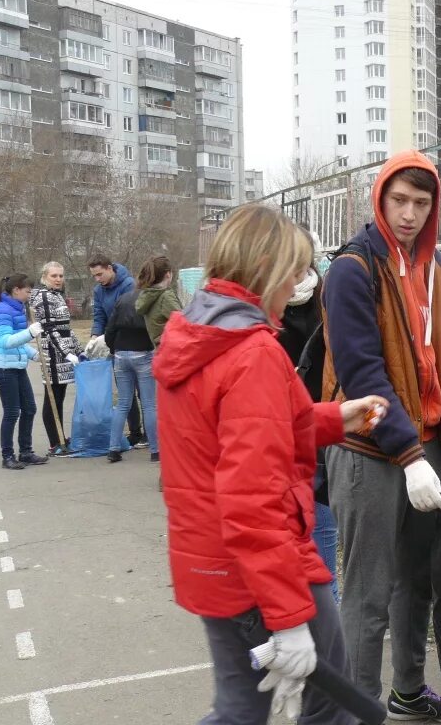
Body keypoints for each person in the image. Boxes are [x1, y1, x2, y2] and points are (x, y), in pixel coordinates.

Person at [153, 204, 388, 725]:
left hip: (214, 563)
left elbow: (233, 436)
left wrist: (330, 419)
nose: (300, 286)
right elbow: (253, 498)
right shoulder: (252, 351)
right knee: (330, 709)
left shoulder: (199, 333)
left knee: (241, 707)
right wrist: (287, 620)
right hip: (263, 570)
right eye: (296, 272)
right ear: (267, 269)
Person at [323, 149, 441, 719]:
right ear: (379, 200)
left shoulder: (439, 272)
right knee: (368, 595)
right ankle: (360, 709)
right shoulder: (352, 269)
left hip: (426, 450)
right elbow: (361, 372)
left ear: (434, 208)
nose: (409, 213)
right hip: (368, 450)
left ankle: (407, 691)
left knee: (418, 582)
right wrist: (407, 455)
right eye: (398, 200)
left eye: (421, 203)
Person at [277, 262, 340, 606]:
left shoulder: (327, 301)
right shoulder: (265, 316)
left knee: (323, 538)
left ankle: (327, 619)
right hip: (280, 434)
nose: (296, 274)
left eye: (302, 265)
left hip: (320, 433)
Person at [104, 266, 159, 464]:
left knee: (123, 404)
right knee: (149, 404)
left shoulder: (123, 299)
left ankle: (113, 449)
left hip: (120, 353)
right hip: (143, 352)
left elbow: (110, 329)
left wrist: (113, 349)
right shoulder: (151, 300)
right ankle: (155, 450)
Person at [88, 255, 144, 447]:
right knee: (125, 392)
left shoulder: (128, 284)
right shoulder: (98, 291)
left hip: (133, 341)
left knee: (143, 391)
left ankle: (150, 433)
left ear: (110, 268)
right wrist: (96, 336)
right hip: (115, 344)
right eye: (94, 276)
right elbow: (99, 315)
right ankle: (135, 432)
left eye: (100, 274)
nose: (98, 279)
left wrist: (109, 332)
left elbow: (129, 313)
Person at [0, 274, 49, 470]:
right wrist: (30, 333)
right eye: (27, 291)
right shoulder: (2, 310)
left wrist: (34, 355)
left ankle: (25, 451)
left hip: (17, 366)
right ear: (16, 290)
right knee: (12, 412)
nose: (29, 295)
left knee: (29, 408)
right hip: (3, 368)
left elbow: (18, 344)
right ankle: (7, 455)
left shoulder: (17, 308)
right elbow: (5, 342)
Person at [29, 262, 81, 456]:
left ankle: (60, 437)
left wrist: (78, 349)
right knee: (53, 398)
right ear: (45, 276)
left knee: (59, 396)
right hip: (52, 354)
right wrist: (66, 352)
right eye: (54, 276)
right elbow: (50, 330)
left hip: (63, 353)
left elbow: (65, 328)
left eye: (60, 275)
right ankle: (54, 442)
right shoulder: (43, 296)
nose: (58, 279)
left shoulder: (57, 295)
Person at [135, 255, 181, 348]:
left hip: (160, 350)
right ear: (168, 274)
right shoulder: (165, 296)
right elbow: (183, 323)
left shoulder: (148, 296)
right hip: (172, 349)